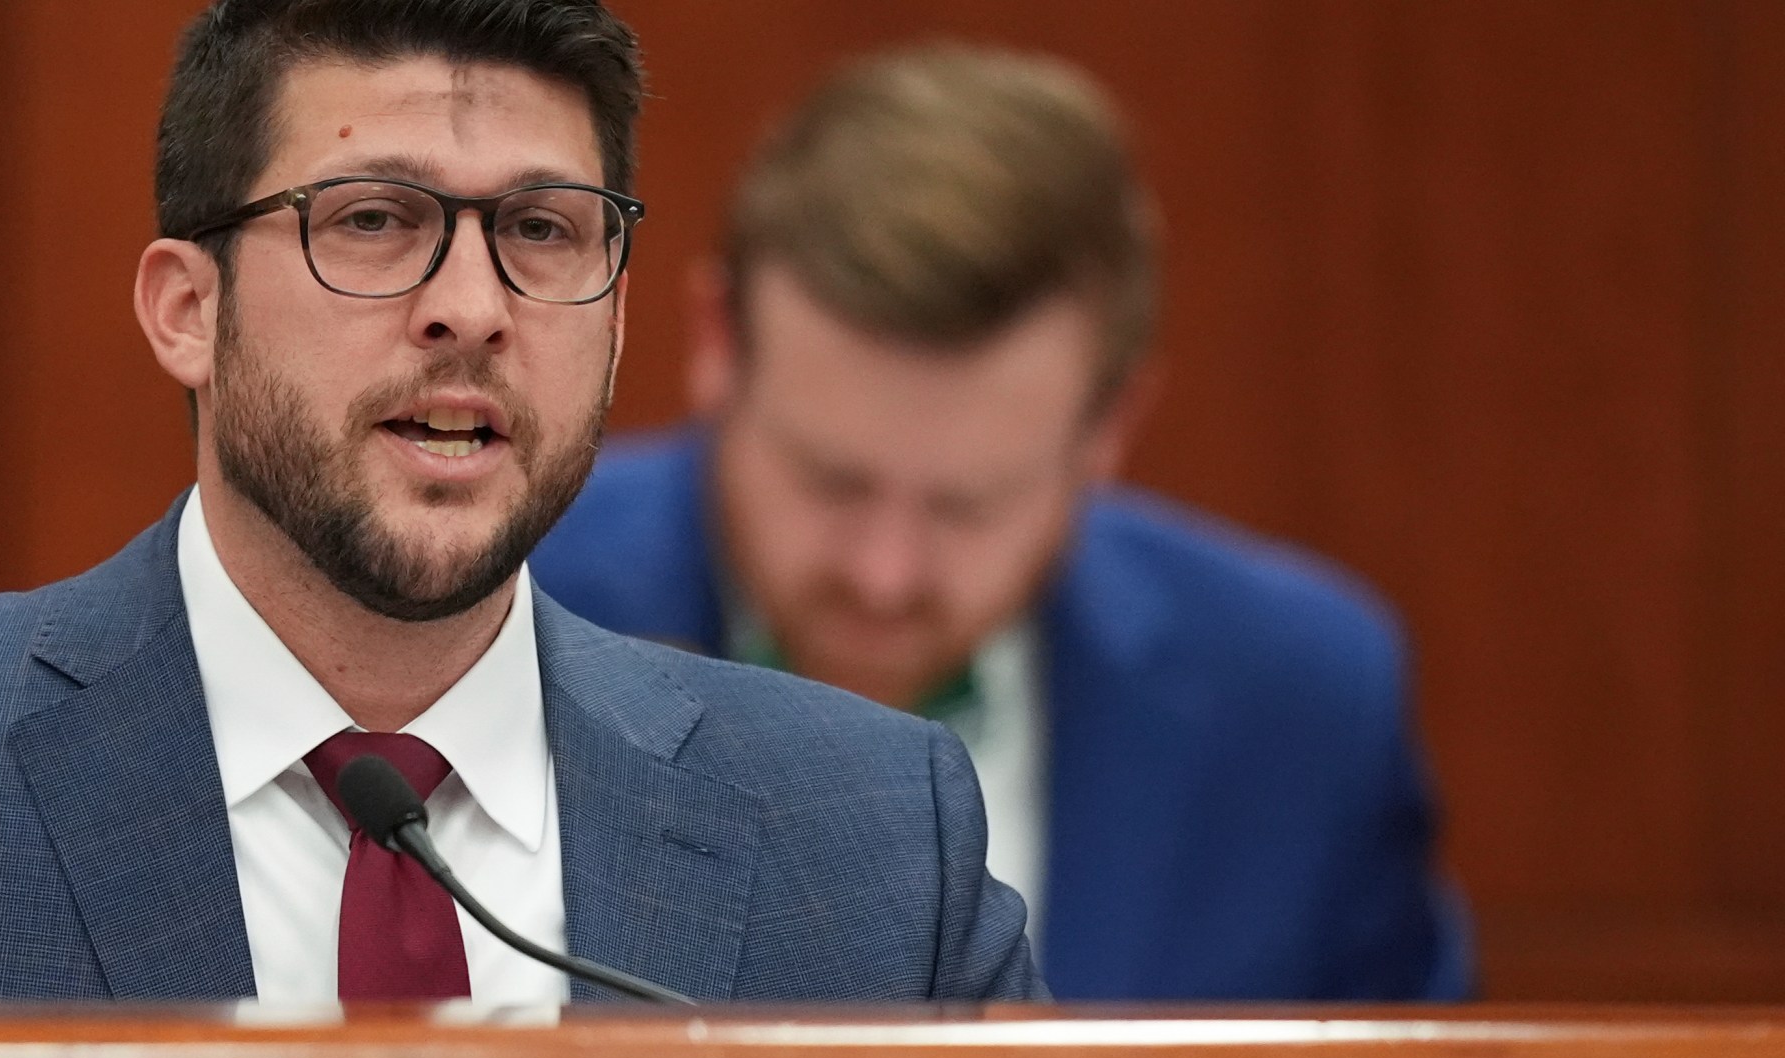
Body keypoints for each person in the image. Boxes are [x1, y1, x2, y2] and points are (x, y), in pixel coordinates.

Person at [0, 0, 1038, 1004]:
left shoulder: (866, 839)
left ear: (614, 320)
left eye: (542, 232)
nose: (471, 309)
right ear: (187, 308)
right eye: (374, 220)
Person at [530, 45, 1470, 1000]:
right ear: (717, 345)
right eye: (831, 482)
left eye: (968, 506)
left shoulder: (1300, 701)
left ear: (1110, 427)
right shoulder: (501, 616)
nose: (884, 574)